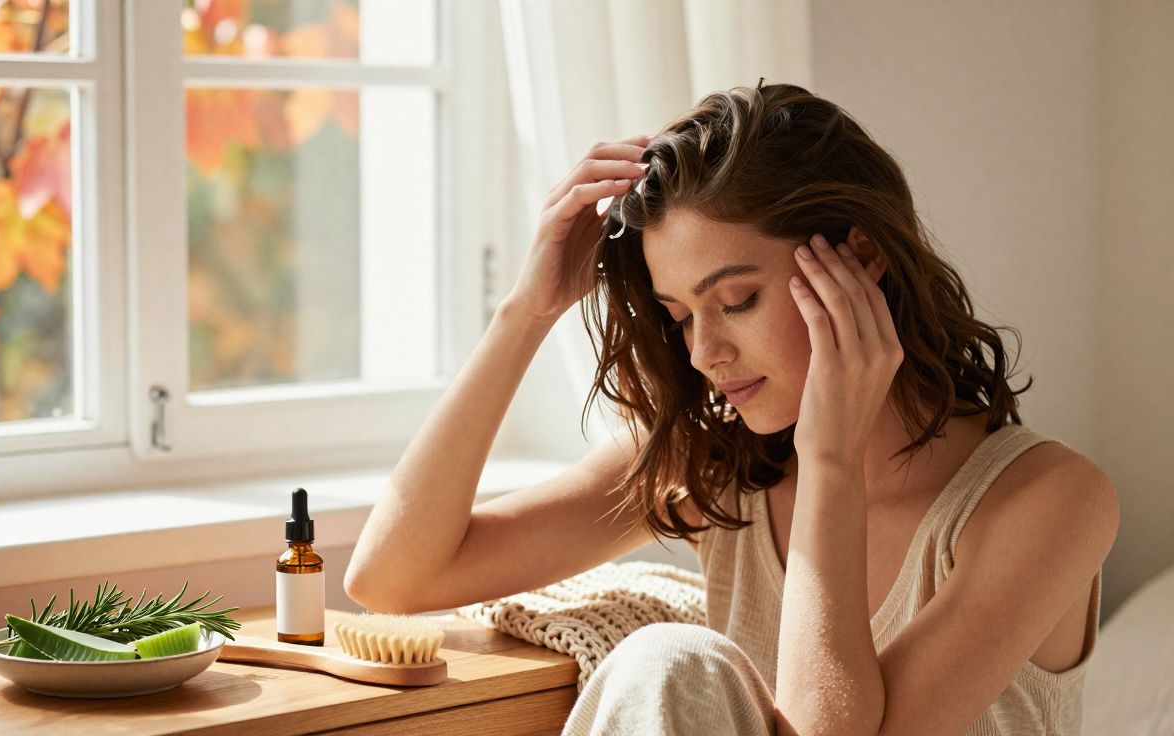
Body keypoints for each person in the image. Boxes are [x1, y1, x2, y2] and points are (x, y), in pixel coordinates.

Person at [344, 80, 1119, 735]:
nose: (703, 353)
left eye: (738, 300)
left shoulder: (1050, 502)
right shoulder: (716, 463)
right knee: (669, 663)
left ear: (864, 259)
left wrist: (830, 460)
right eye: (680, 315)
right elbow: (394, 577)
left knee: (673, 659)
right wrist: (527, 312)